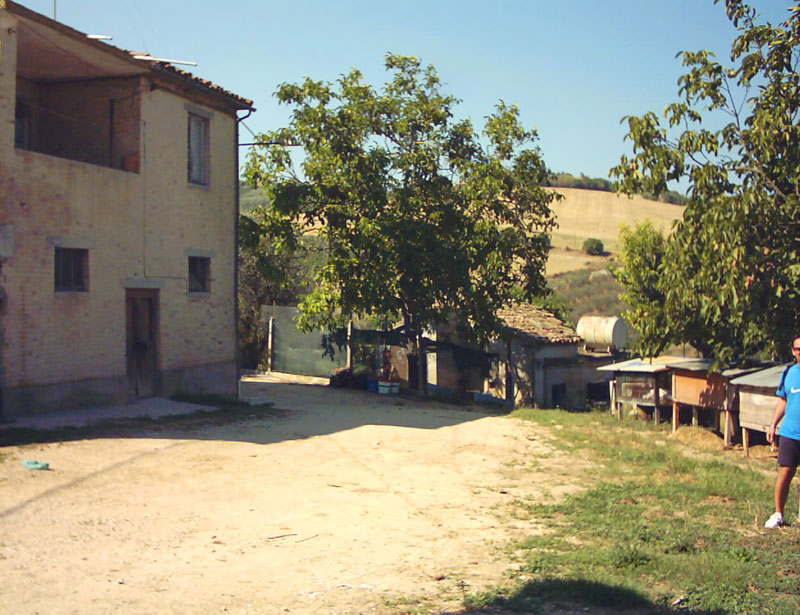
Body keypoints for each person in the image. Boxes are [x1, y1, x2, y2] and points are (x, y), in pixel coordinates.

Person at [765, 335, 800, 528]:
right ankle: (779, 514)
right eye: (798, 349)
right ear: (793, 351)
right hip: (790, 433)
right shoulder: (789, 372)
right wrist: (773, 424)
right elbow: (783, 400)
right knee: (785, 473)